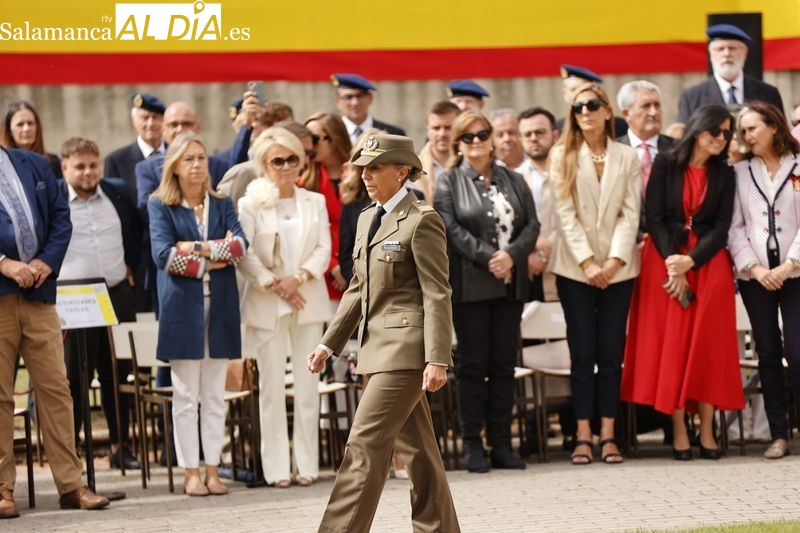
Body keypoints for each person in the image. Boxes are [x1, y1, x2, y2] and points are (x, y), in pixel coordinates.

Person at [307, 132, 460, 533]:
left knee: (363, 444)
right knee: (419, 452)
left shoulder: (422, 220)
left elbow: (437, 292)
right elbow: (359, 288)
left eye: (375, 168)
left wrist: (437, 357)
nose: (366, 175)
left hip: (406, 350)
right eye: (363, 168)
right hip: (375, 350)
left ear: (403, 172)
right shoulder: (365, 218)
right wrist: (328, 343)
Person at [621, 104, 743, 461]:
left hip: (708, 262)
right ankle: (678, 430)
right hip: (664, 259)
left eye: (727, 133)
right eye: (716, 131)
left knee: (708, 346)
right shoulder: (666, 163)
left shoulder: (725, 173)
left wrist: (691, 260)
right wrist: (674, 264)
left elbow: (721, 226)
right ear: (698, 129)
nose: (721, 138)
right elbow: (655, 216)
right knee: (672, 344)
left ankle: (706, 430)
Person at [1, 142, 109, 518]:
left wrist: (45, 262)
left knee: (56, 391)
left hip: (39, 294)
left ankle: (71, 485)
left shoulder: (33, 163)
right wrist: (5, 263)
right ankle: (3, 488)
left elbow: (62, 218)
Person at [434, 110, 539, 472]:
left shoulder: (514, 178)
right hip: (471, 286)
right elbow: (449, 228)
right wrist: (489, 257)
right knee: (472, 366)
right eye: (468, 137)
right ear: (458, 144)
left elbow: (532, 224)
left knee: (504, 365)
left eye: (482, 134)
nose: (476, 141)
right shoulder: (449, 181)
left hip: (510, 283)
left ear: (492, 138)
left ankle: (502, 443)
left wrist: (510, 256)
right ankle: (473, 443)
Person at [147, 132, 246, 496]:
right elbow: (164, 255)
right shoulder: (160, 204)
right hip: (181, 309)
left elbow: (241, 246)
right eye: (188, 159)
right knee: (186, 395)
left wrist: (197, 248)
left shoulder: (222, 202)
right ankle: (191, 472)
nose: (197, 165)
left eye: (201, 157)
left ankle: (213, 471)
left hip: (220, 308)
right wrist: (214, 259)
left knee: (215, 395)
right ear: (174, 166)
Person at [548, 82, 641, 465]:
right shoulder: (562, 154)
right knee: (583, 352)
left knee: (612, 353)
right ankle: (583, 433)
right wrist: (588, 263)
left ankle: (609, 433)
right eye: (577, 107)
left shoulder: (626, 155)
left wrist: (614, 261)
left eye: (591, 104)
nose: (584, 111)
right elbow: (564, 214)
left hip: (618, 271)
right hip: (575, 271)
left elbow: (630, 213)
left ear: (607, 111)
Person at [237, 127, 331, 488]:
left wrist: (299, 277)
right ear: (264, 164)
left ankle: (307, 465)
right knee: (272, 388)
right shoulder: (250, 203)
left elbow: (323, 248)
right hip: (267, 303)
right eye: (278, 160)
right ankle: (276, 468)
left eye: (293, 158)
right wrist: (275, 284)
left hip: (307, 299)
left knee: (308, 386)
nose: (287, 166)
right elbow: (243, 252)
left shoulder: (315, 201)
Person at [58, 137, 142, 470]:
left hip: (117, 294)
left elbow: (135, 232)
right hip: (75, 299)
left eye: (93, 165)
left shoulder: (117, 193)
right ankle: (73, 452)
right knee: (75, 377)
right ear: (65, 167)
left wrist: (131, 266)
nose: (88, 172)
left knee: (118, 374)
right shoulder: (54, 199)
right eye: (80, 166)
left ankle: (121, 446)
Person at [728, 101, 800, 459]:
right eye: (743, 131)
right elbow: (735, 228)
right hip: (756, 278)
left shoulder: (798, 166)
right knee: (768, 353)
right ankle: (779, 434)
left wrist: (788, 265)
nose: (747, 136)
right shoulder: (740, 173)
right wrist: (755, 269)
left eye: (753, 128)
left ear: (774, 126)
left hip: (795, 274)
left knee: (797, 352)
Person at [677, 24, 784, 124]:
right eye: (720, 49)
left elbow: (781, 133)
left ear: (745, 52)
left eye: (732, 48)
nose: (727, 54)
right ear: (710, 53)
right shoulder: (692, 97)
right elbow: (684, 135)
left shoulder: (769, 93)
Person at [302, 112, 352, 306]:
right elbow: (305, 234)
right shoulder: (302, 183)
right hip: (322, 276)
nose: (309, 145)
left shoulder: (363, 176)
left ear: (334, 138)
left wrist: (348, 268)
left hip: (360, 273)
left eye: (314, 139)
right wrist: (333, 266)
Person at [517, 107, 560, 302]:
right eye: (528, 134)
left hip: (567, 268)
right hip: (528, 269)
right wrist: (531, 248)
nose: (534, 138)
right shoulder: (513, 179)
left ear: (555, 135)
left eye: (540, 132)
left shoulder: (573, 174)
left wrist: (548, 249)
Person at [104, 93, 166, 203]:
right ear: (134, 121)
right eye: (145, 118)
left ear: (164, 122)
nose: (150, 123)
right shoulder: (116, 161)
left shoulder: (176, 154)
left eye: (156, 117)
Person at [330, 73, 406, 144]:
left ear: (370, 98)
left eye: (360, 96)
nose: (355, 103)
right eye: (348, 97)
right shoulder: (330, 135)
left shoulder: (393, 134)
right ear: (338, 101)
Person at [556, 65, 628, 137]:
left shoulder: (620, 126)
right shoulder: (558, 129)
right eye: (574, 89)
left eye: (584, 89)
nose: (579, 94)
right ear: (564, 94)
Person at [1, 100, 62, 179]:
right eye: (20, 124)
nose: (26, 129)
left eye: (30, 123)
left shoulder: (52, 162)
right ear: (9, 131)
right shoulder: (3, 165)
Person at [417, 100, 461, 202]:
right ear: (428, 130)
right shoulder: (413, 169)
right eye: (436, 128)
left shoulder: (472, 164)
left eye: (448, 128)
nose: (442, 134)